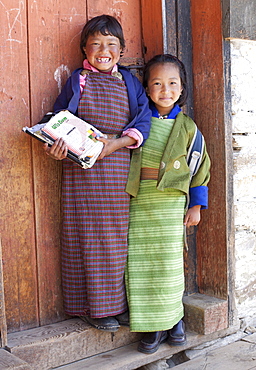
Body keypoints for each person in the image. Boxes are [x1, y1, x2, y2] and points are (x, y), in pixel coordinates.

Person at [42, 14, 151, 332]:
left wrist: (114, 145)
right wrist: (52, 143)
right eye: (95, 44)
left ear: (121, 49)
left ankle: (116, 305)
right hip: (82, 175)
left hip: (117, 172)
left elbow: (143, 119)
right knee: (84, 237)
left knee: (115, 240)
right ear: (84, 49)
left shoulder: (129, 82)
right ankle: (91, 308)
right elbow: (55, 118)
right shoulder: (78, 80)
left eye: (111, 44)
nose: (103, 50)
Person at [125, 54, 211, 353]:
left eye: (172, 83)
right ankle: (151, 326)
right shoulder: (138, 122)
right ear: (146, 89)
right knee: (140, 264)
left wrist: (196, 206)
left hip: (171, 204)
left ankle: (174, 320)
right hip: (141, 201)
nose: (165, 90)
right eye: (157, 83)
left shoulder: (188, 128)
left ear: (181, 87)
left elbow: (200, 169)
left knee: (169, 265)